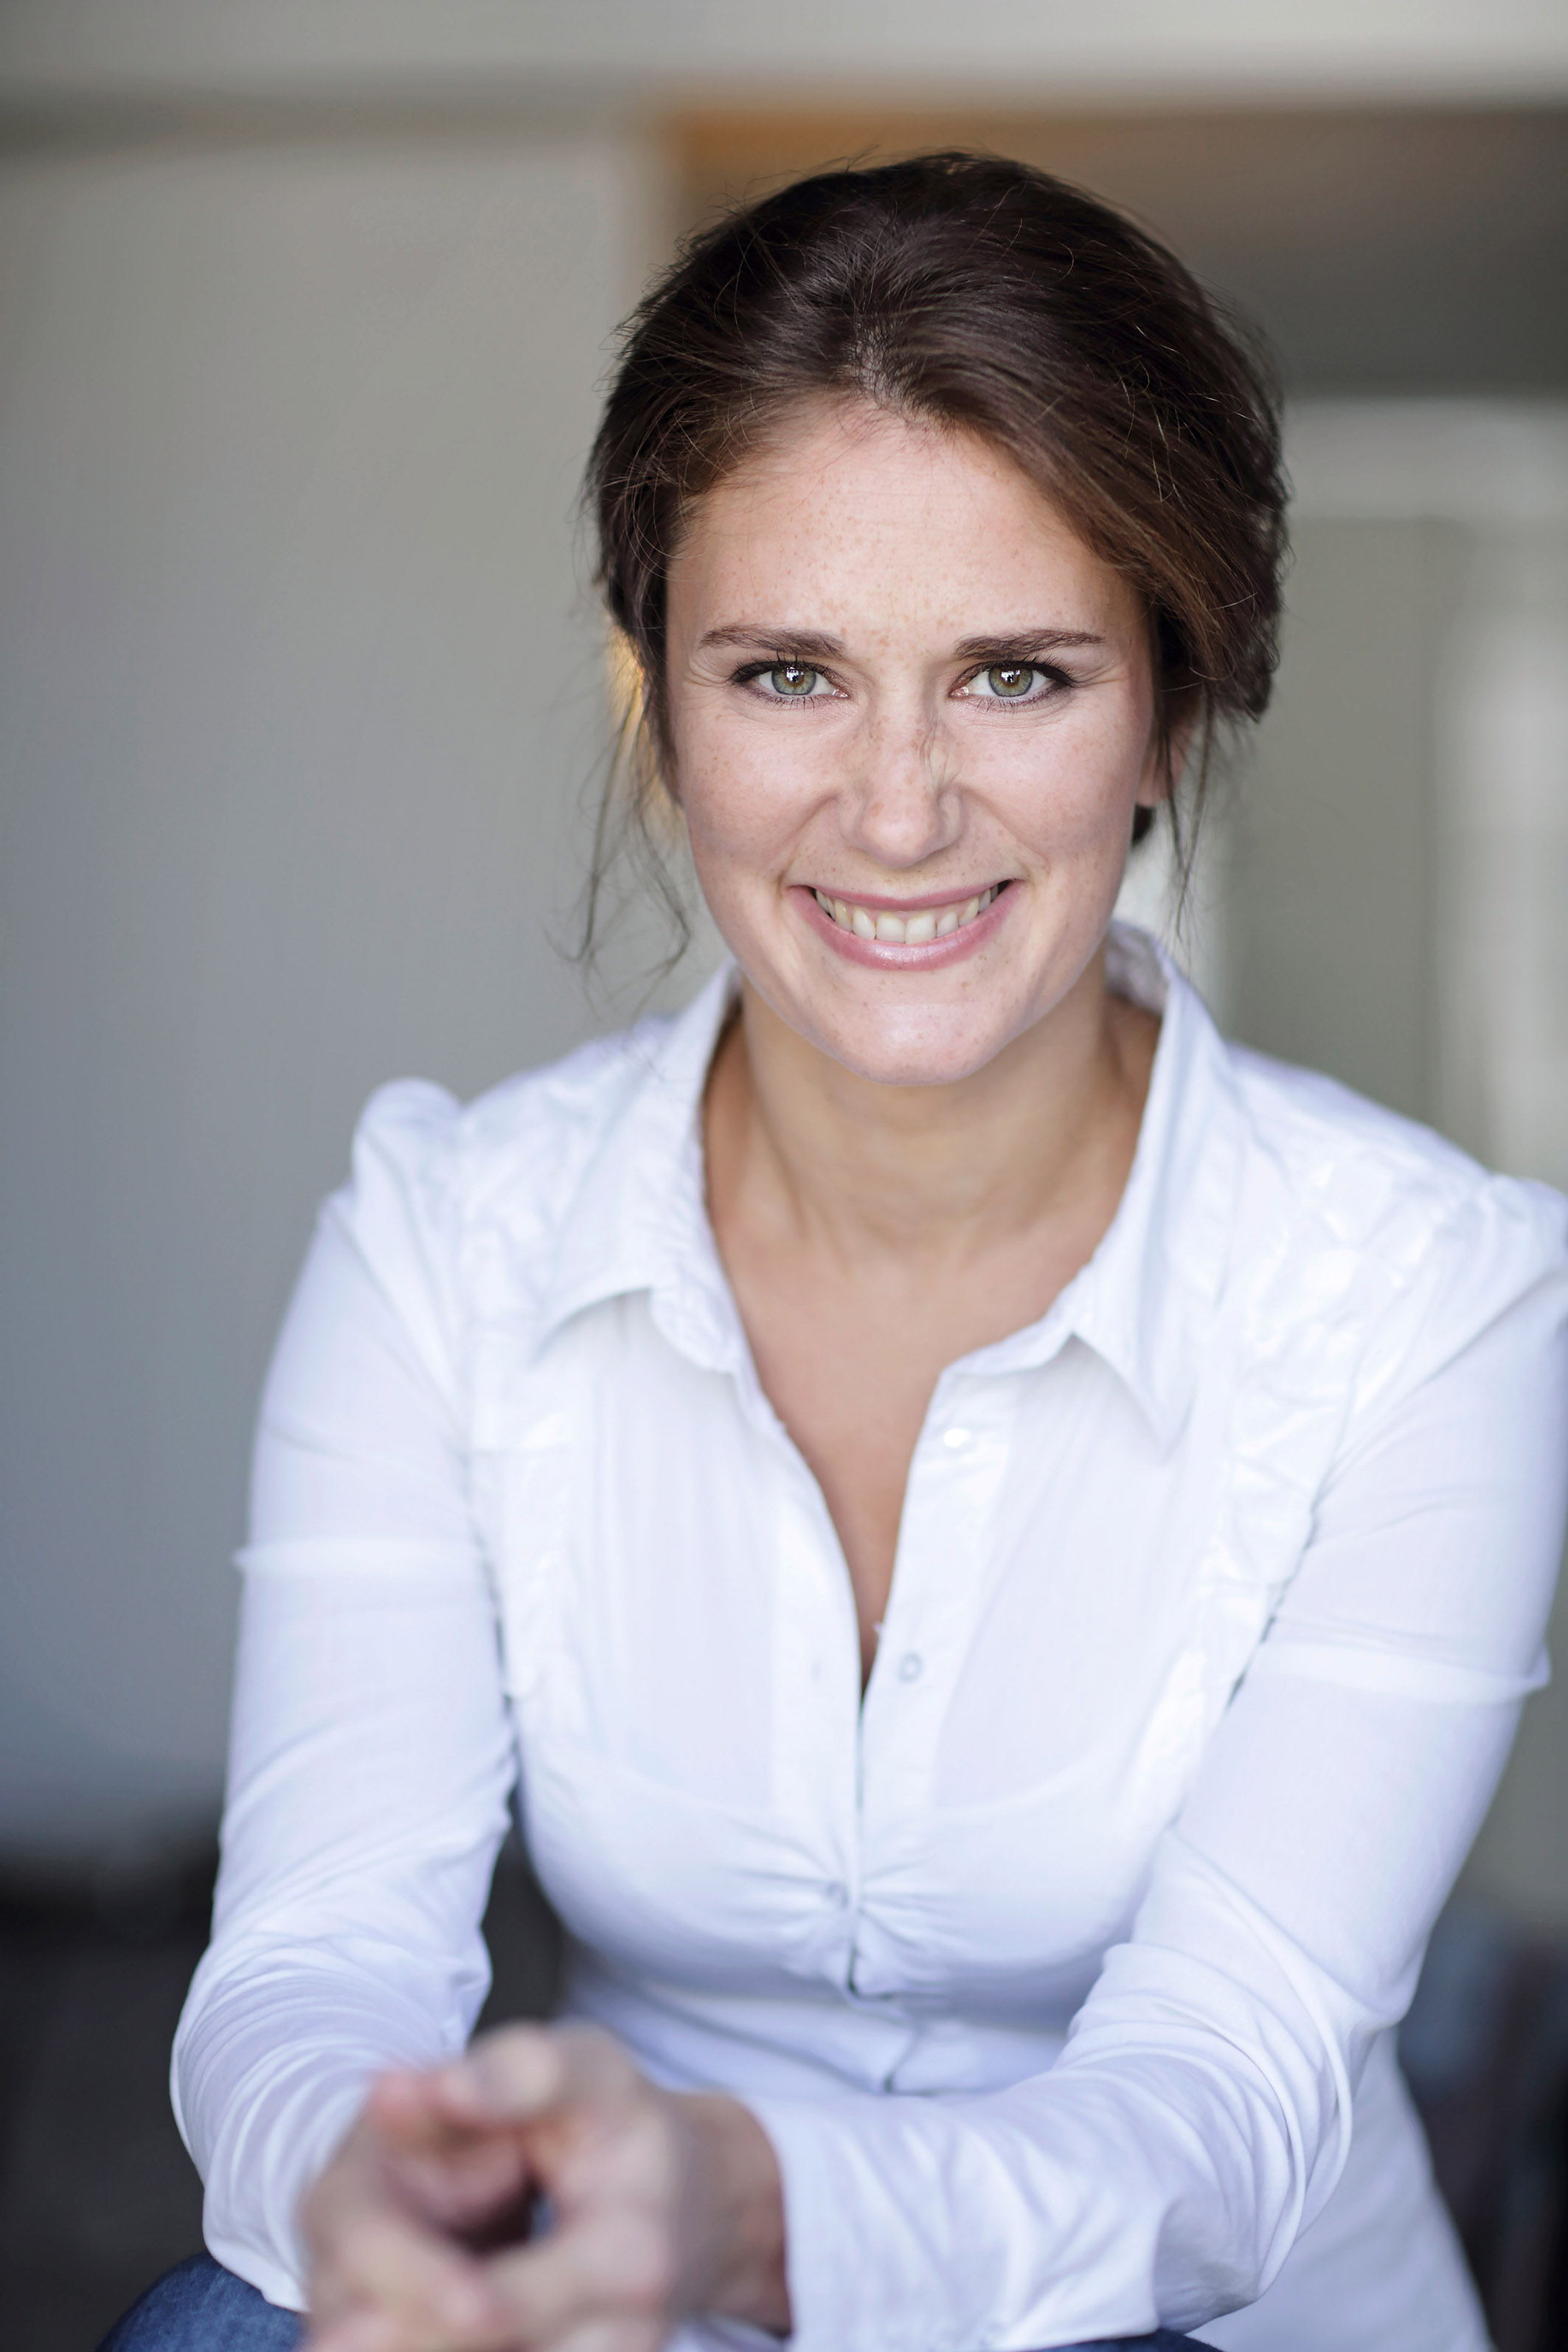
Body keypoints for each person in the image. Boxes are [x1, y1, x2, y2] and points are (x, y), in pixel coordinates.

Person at [103, 154, 1567, 2352]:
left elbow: (1221, 2101)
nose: (896, 810)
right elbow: (315, 1960)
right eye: (788, 672)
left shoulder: (1436, 1299)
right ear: (662, 700)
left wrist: (748, 2213)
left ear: (1168, 714)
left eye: (1015, 675)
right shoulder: (445, 1245)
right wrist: (392, 2196)